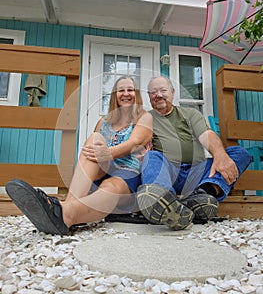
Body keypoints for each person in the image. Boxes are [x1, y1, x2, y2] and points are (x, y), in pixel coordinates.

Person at [5, 76, 152, 235]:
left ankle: (62, 211)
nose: (126, 93)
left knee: (110, 187)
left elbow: (134, 143)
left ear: (136, 94)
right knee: (95, 139)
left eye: (130, 90)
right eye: (121, 90)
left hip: (127, 172)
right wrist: (101, 155)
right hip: (103, 170)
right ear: (114, 96)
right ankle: (65, 211)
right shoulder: (104, 121)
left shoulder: (144, 117)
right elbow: (91, 153)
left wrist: (106, 154)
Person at [136, 76, 251, 230]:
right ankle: (164, 200)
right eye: (153, 92)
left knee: (239, 153)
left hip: (197, 171)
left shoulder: (189, 113)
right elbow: (135, 140)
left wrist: (220, 155)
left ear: (172, 92)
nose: (158, 95)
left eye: (163, 90)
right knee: (151, 156)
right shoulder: (146, 118)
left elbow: (207, 135)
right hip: (168, 172)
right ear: (149, 97)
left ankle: (204, 194)